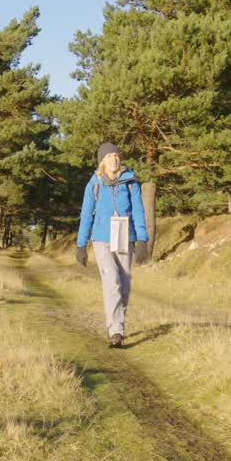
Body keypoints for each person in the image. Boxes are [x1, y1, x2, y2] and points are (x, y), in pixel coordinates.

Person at [75, 142, 149, 348]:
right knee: (112, 282)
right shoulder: (94, 184)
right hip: (101, 239)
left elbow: (138, 212)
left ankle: (118, 325)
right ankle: (115, 330)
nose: (114, 159)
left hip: (125, 237)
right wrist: (81, 245)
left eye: (117, 156)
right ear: (102, 162)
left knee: (124, 286)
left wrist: (142, 239)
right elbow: (86, 216)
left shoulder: (131, 182)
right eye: (109, 157)